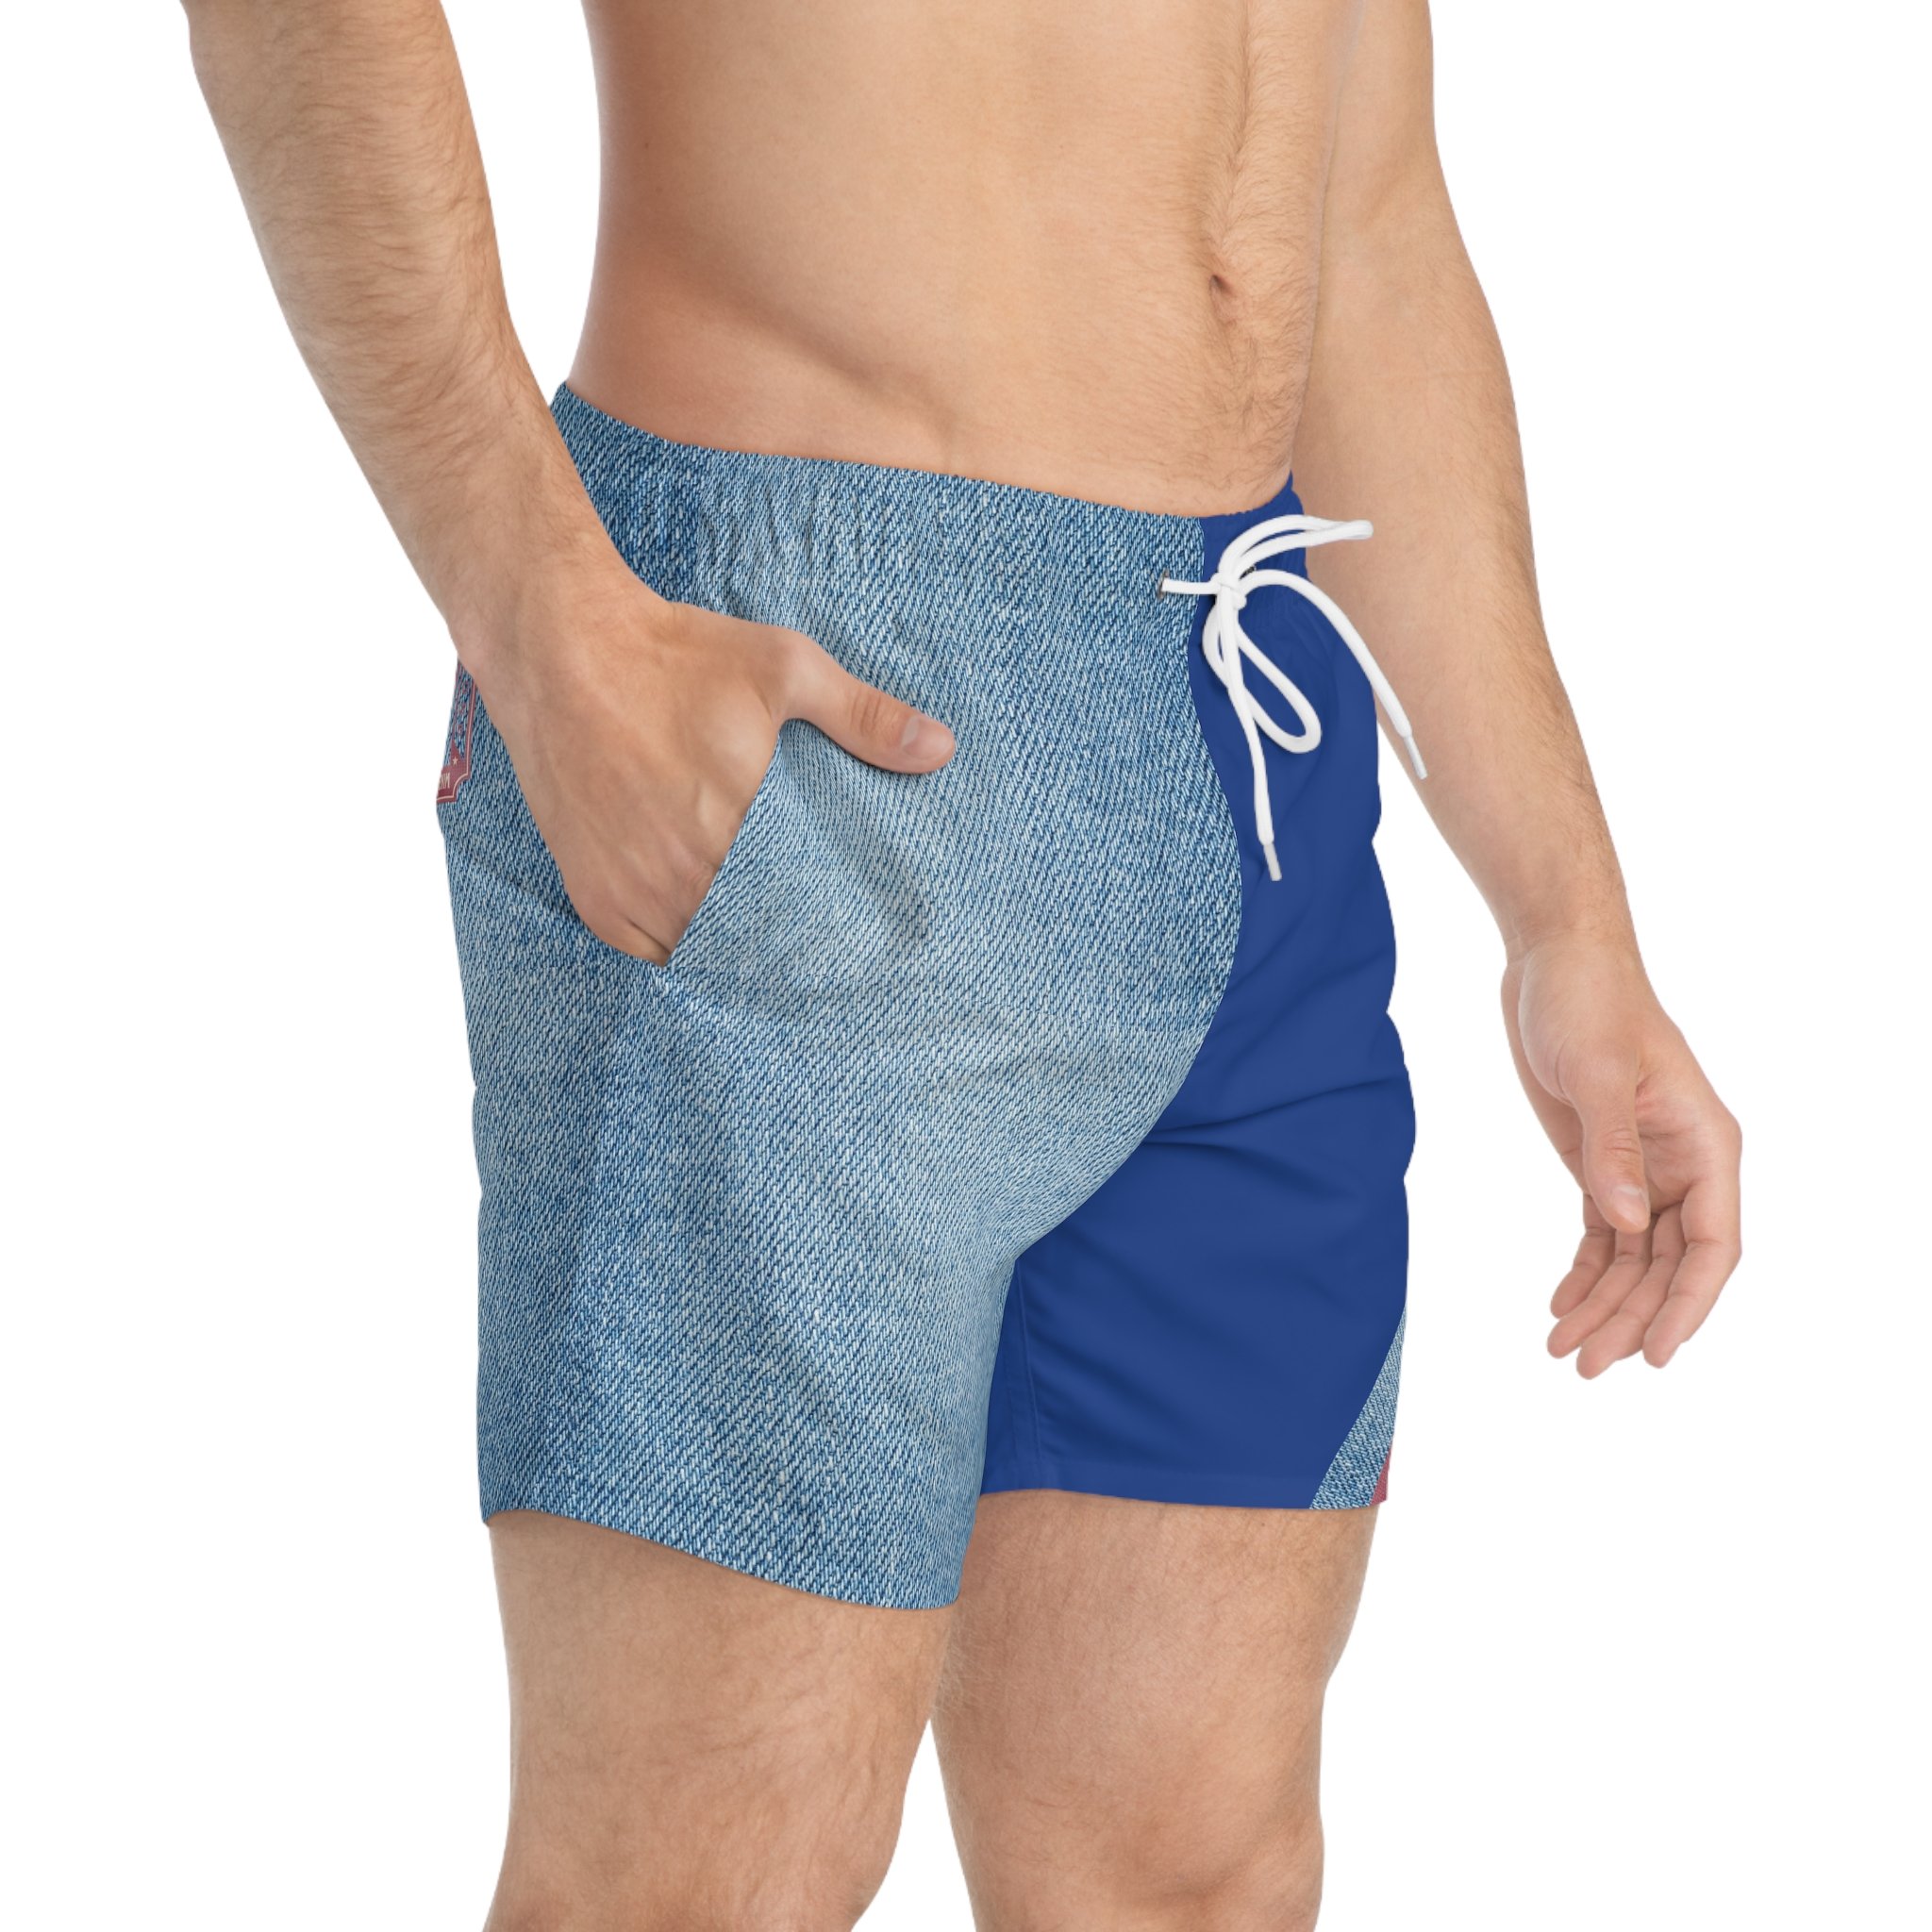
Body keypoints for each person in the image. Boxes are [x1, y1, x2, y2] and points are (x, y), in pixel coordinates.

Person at [184, 2, 1743, 1924]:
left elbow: (1362, 218)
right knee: (696, 1885)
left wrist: (1566, 915)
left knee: (1188, 1875)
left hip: (1254, 735)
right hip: (809, 695)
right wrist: (540, 614)